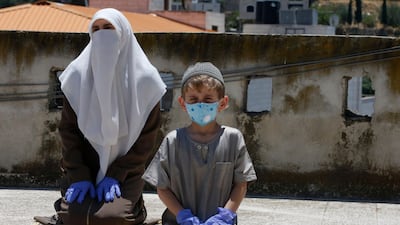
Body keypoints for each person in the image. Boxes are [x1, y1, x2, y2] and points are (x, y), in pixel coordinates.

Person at [34, 8, 166, 225]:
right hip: (83, 167)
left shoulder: (147, 82)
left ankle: (137, 209)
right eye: (95, 29)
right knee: (76, 217)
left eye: (108, 28)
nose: (102, 34)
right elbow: (69, 133)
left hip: (126, 173)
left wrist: (117, 173)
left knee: (110, 218)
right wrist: (80, 175)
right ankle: (65, 209)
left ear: (123, 32)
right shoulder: (76, 76)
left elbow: (146, 140)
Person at [142, 62, 257, 225]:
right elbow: (162, 187)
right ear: (183, 103)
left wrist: (225, 216)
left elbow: (241, 184)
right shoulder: (173, 141)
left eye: (208, 99)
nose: (200, 104)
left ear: (222, 103)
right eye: (193, 99)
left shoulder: (233, 139)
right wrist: (182, 215)